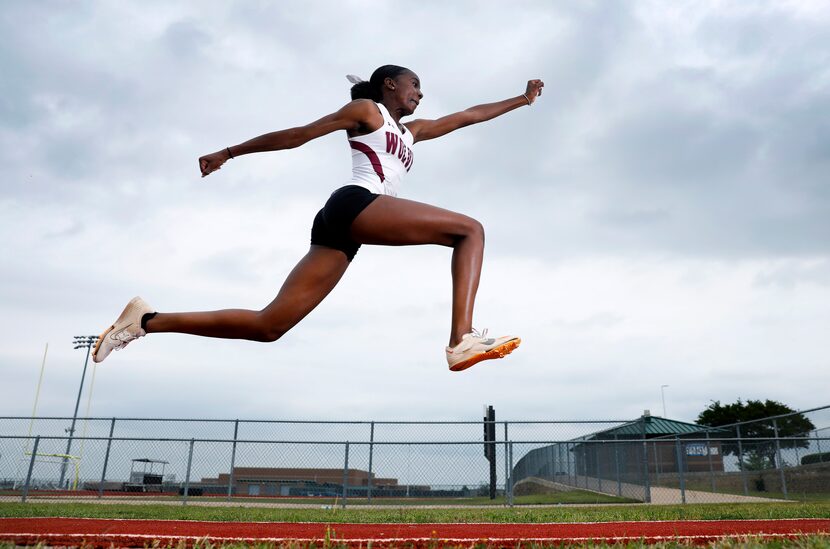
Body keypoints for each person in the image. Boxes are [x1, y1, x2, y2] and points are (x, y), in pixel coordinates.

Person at [93, 65, 544, 371]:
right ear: (388, 84)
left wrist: (522, 101)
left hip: (343, 229)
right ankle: (461, 338)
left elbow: (468, 117)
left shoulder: (413, 131)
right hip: (353, 204)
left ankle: (145, 321)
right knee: (470, 230)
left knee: (269, 326)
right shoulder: (368, 113)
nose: (420, 94)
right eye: (414, 85)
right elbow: (299, 135)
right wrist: (230, 152)